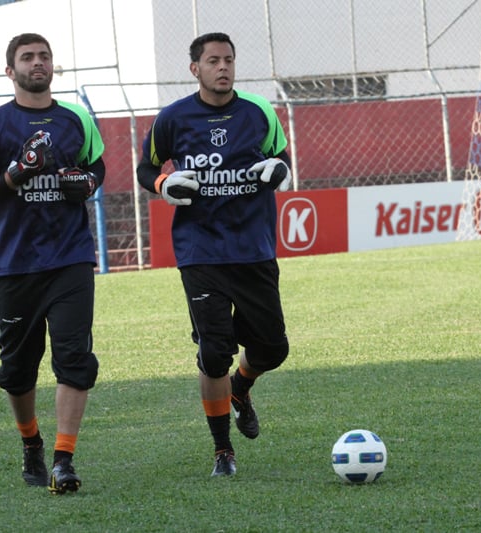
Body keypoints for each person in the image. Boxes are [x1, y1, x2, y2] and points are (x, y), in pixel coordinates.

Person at [136, 32, 291, 477]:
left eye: (228, 59)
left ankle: (241, 388)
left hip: (253, 248)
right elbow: (146, 167)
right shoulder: (173, 118)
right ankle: (223, 451)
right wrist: (163, 184)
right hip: (199, 250)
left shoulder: (259, 111)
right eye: (213, 61)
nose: (222, 67)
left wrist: (278, 169)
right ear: (195, 69)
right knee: (213, 350)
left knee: (273, 347)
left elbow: (281, 159)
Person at [0, 32, 105, 494]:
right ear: (11, 71)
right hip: (16, 265)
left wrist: (80, 181)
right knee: (18, 371)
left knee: (75, 360)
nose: (38, 63)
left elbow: (96, 171)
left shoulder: (76, 120)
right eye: (28, 57)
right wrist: (14, 174)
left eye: (44, 56)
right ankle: (31, 444)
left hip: (71, 260)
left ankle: (64, 459)